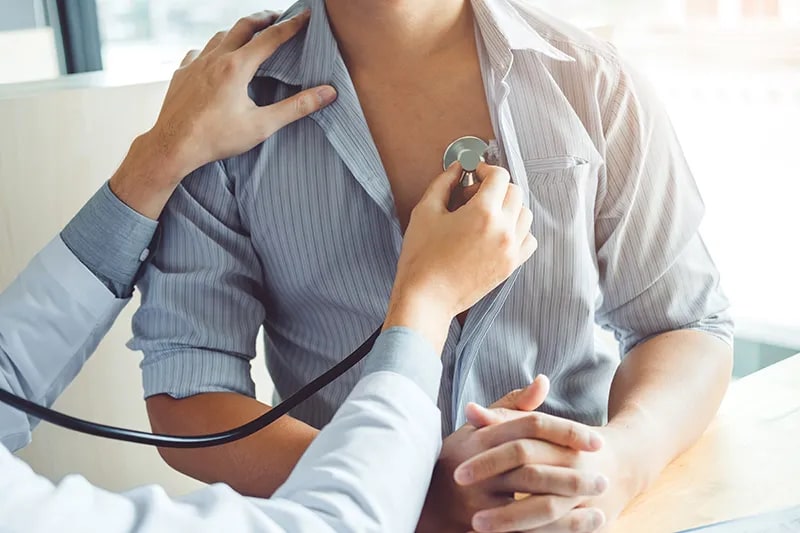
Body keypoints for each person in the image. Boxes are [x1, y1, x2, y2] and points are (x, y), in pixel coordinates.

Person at [131, 1, 735, 532]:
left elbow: (686, 324)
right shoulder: (223, 108)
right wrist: (406, 493)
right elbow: (189, 391)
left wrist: (620, 462)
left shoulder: (594, 83)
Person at [0, 12, 583, 532]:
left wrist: (160, 155)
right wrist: (425, 302)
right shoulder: (245, 129)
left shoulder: (587, 77)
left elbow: (7, 371)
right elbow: (339, 520)